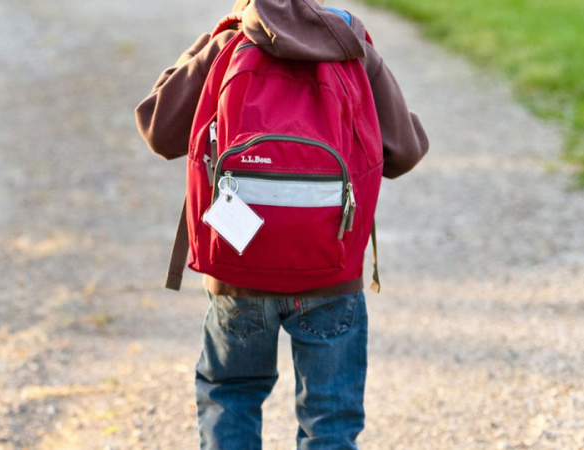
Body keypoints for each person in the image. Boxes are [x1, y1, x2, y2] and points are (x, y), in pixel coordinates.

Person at [135, 0, 428, 448]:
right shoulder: (351, 45)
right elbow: (403, 154)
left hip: (239, 269)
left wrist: (210, 40)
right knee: (329, 419)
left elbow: (158, 128)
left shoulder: (230, 41)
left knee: (230, 393)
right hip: (330, 270)